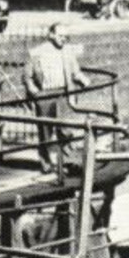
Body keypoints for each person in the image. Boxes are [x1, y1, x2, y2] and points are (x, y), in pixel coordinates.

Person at [24, 23, 87, 172]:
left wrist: (84, 80)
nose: (63, 39)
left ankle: (68, 161)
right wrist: (35, 93)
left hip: (63, 94)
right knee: (45, 131)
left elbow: (75, 72)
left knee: (66, 129)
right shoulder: (36, 53)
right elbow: (27, 77)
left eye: (66, 37)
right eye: (60, 36)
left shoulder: (67, 52)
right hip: (44, 95)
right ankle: (46, 163)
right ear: (51, 35)